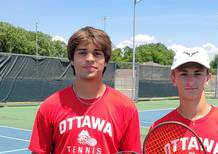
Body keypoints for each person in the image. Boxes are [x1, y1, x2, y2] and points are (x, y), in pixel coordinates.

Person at [28, 26, 142, 154]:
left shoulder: (126, 108)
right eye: (82, 52)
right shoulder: (49, 106)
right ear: (72, 60)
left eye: (97, 53)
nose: (90, 59)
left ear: (105, 61)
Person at [148, 50, 218, 154]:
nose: (191, 81)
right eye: (184, 74)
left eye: (197, 74)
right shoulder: (158, 129)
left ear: (208, 78)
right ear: (173, 78)